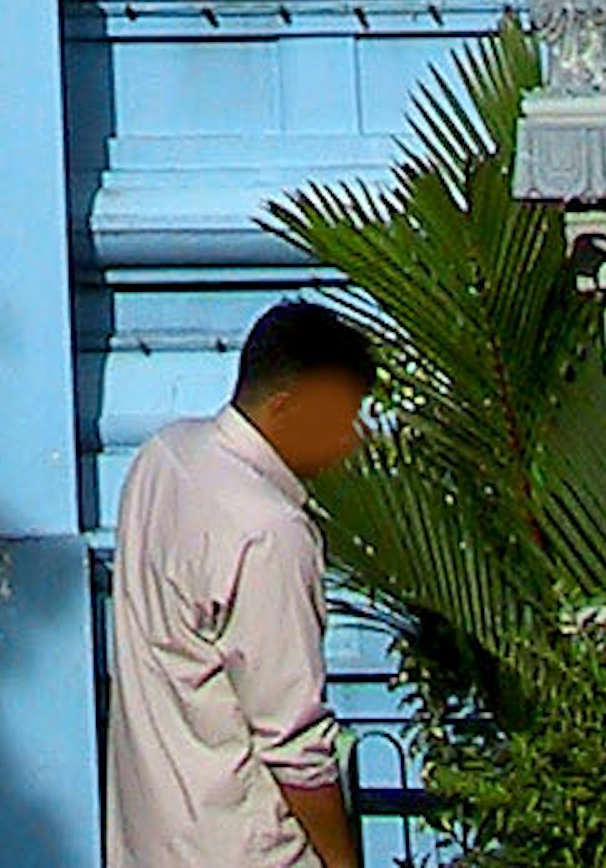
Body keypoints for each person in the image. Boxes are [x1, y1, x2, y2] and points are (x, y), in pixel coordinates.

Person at [105, 298, 383, 868]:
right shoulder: (271, 532)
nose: (350, 440)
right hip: (247, 847)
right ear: (286, 408)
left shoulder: (165, 456)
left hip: (153, 838)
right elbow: (295, 746)